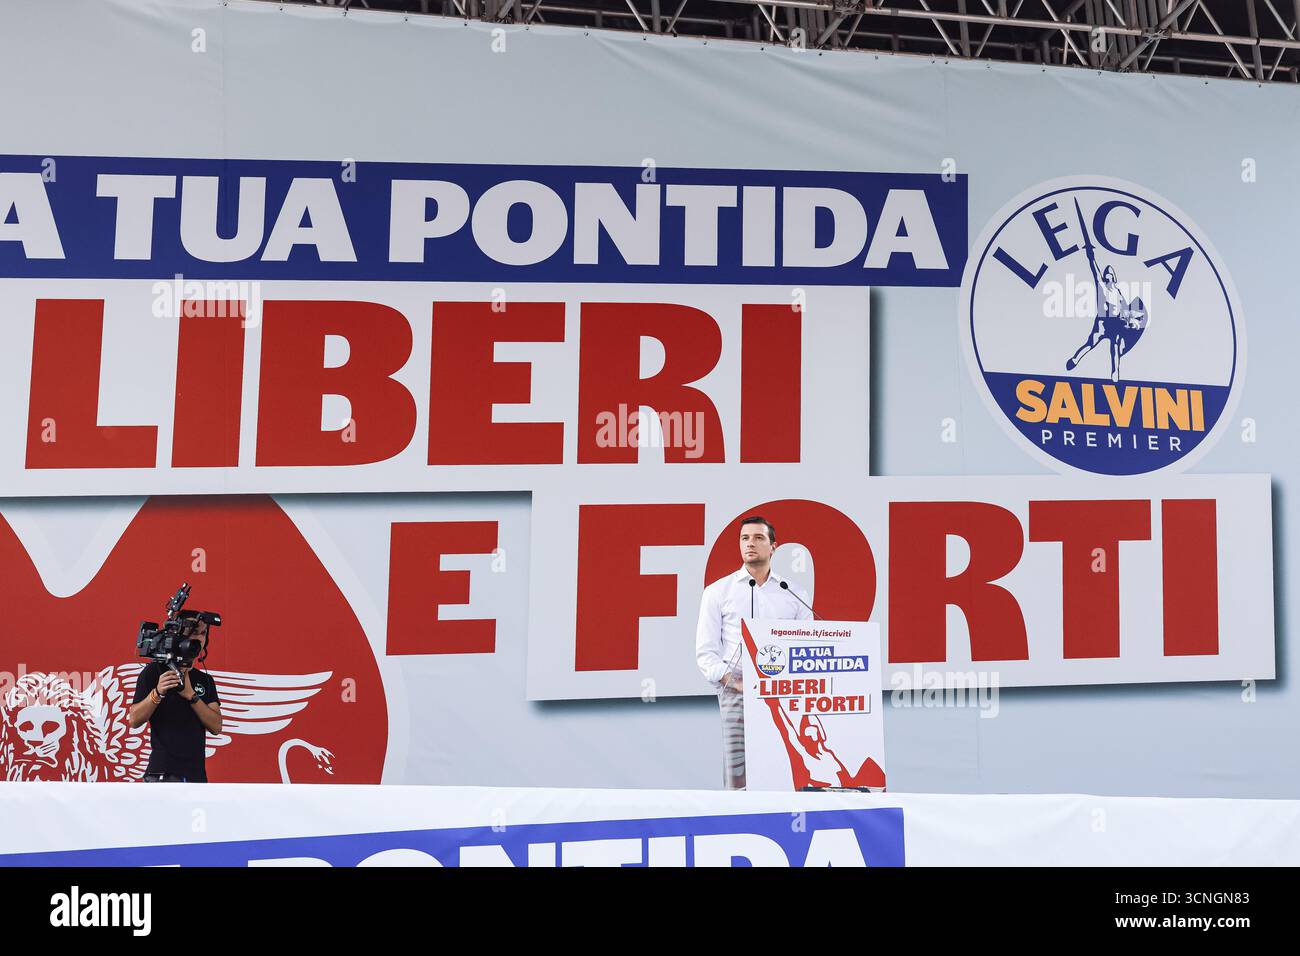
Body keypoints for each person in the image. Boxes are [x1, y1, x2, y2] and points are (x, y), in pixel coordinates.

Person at [695, 516, 812, 790]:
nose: (750, 543)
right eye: (745, 538)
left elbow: (808, 647)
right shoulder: (718, 592)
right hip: (737, 688)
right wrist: (735, 682)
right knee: (739, 774)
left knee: (788, 760)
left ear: (773, 546)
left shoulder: (793, 593)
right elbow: (706, 653)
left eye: (759, 538)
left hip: (785, 690)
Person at [128, 618, 223, 782]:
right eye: (194, 633)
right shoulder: (154, 671)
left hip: (196, 775)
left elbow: (216, 726)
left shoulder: (205, 680)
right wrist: (157, 693)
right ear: (180, 635)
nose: (199, 638)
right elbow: (135, 719)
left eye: (203, 633)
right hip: (160, 774)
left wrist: (191, 696)